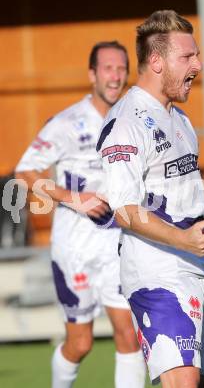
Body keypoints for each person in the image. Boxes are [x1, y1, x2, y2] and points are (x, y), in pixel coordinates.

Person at [97, 10, 204, 388]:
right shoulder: (127, 123)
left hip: (197, 271)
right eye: (187, 57)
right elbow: (125, 211)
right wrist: (183, 241)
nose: (198, 64)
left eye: (196, 55)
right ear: (157, 61)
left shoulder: (179, 120)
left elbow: (193, 201)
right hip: (157, 275)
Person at [15, 41, 146, 388]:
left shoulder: (134, 122)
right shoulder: (67, 123)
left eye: (121, 69)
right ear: (92, 74)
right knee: (80, 343)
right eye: (108, 69)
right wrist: (73, 198)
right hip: (74, 249)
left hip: (117, 245)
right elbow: (24, 174)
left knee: (129, 336)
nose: (116, 77)